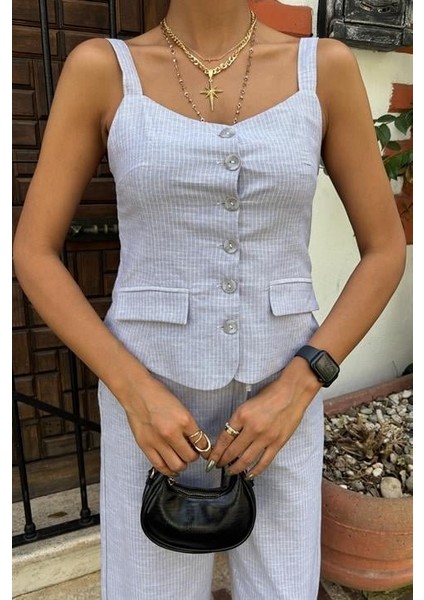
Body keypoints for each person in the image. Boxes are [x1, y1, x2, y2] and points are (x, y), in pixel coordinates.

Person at [12, 1, 406, 598]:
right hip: (150, 410)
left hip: (283, 403)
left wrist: (302, 385)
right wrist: (135, 393)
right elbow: (33, 252)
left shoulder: (324, 68)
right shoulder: (103, 69)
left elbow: (385, 249)